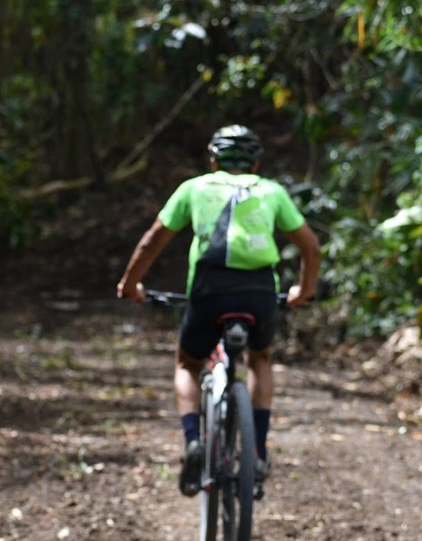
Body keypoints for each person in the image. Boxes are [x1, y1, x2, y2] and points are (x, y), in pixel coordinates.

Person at [117, 124, 321, 498]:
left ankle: (194, 441)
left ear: (213, 161)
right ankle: (257, 451)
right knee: (259, 358)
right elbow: (310, 247)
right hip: (260, 292)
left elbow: (150, 243)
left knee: (187, 364)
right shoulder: (272, 190)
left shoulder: (194, 188)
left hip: (209, 291)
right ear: (256, 163)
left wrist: (131, 285)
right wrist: (302, 292)